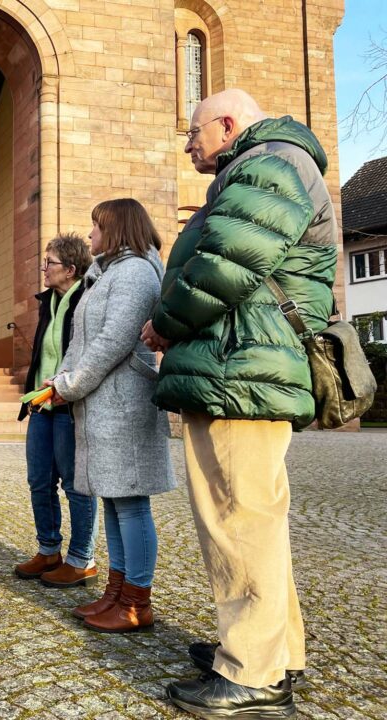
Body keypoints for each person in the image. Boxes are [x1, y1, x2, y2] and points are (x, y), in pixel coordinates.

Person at [141, 89, 336, 718]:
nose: (188, 145)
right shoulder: (273, 161)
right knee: (254, 517)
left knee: (238, 518)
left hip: (239, 368)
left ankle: (252, 670)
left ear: (226, 125)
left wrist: (165, 323)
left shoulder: (266, 162)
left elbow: (224, 264)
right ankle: (276, 652)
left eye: (193, 132)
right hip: (244, 365)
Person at [45, 199, 174, 633]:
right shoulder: (107, 273)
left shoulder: (135, 272)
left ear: (117, 229)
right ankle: (116, 592)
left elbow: (112, 341)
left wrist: (71, 384)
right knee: (116, 501)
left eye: (96, 227)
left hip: (125, 404)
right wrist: (60, 378)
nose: (89, 235)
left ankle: (137, 601)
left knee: (132, 503)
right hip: (104, 404)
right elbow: (82, 340)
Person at [13, 233, 99, 588]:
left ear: (71, 269)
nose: (44, 268)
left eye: (50, 263)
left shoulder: (87, 299)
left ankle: (82, 559)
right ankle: (48, 550)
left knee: (76, 486)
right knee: (39, 481)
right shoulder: (46, 301)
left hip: (70, 404)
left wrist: (69, 386)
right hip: (41, 404)